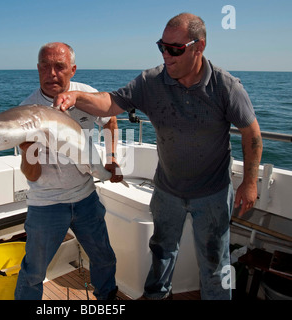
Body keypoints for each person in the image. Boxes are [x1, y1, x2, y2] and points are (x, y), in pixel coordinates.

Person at [55, 14, 263, 300]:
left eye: (174, 49)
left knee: (215, 263)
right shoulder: (150, 82)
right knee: (162, 252)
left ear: (198, 47)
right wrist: (77, 96)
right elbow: (110, 103)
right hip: (167, 191)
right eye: (161, 46)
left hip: (213, 194)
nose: (166, 55)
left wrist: (250, 183)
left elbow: (252, 134)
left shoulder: (226, 87)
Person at [14, 42, 121, 300]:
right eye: (45, 66)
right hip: (46, 203)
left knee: (104, 259)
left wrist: (112, 157)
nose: (52, 73)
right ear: (37, 69)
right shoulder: (26, 113)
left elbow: (111, 119)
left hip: (86, 197)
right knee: (33, 272)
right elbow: (32, 175)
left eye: (59, 67)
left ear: (72, 70)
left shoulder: (87, 95)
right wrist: (30, 148)